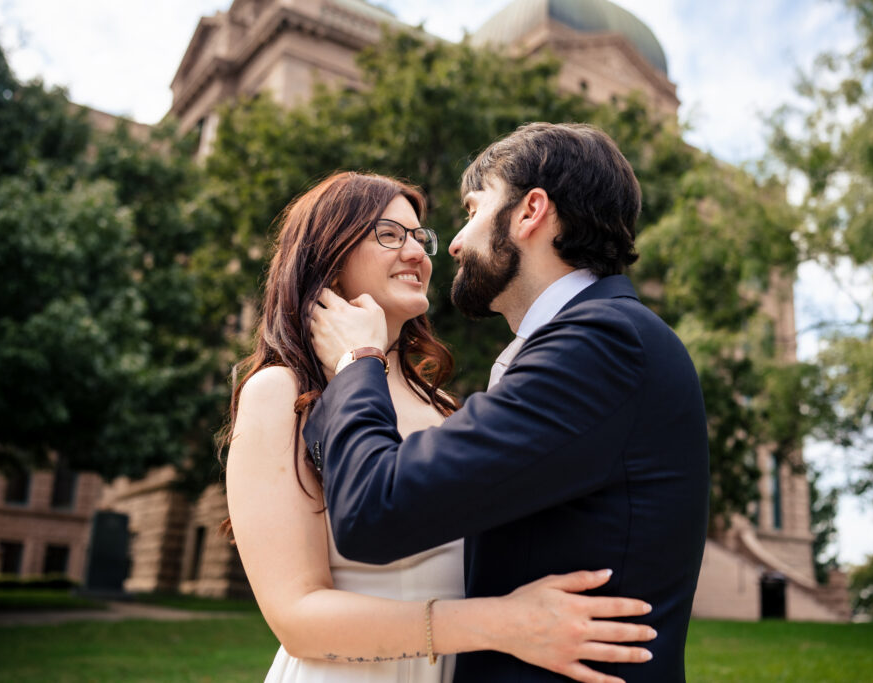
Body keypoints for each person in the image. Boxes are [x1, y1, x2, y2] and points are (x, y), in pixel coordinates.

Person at [305, 123, 711, 682]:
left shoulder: (600, 343)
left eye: (473, 210)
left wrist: (356, 363)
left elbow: (376, 509)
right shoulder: (594, 340)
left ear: (529, 212)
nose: (451, 243)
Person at [223, 171, 658, 683]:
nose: (417, 253)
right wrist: (501, 624)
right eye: (389, 234)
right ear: (330, 257)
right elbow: (297, 619)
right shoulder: (279, 392)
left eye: (418, 237)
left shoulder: (446, 406)